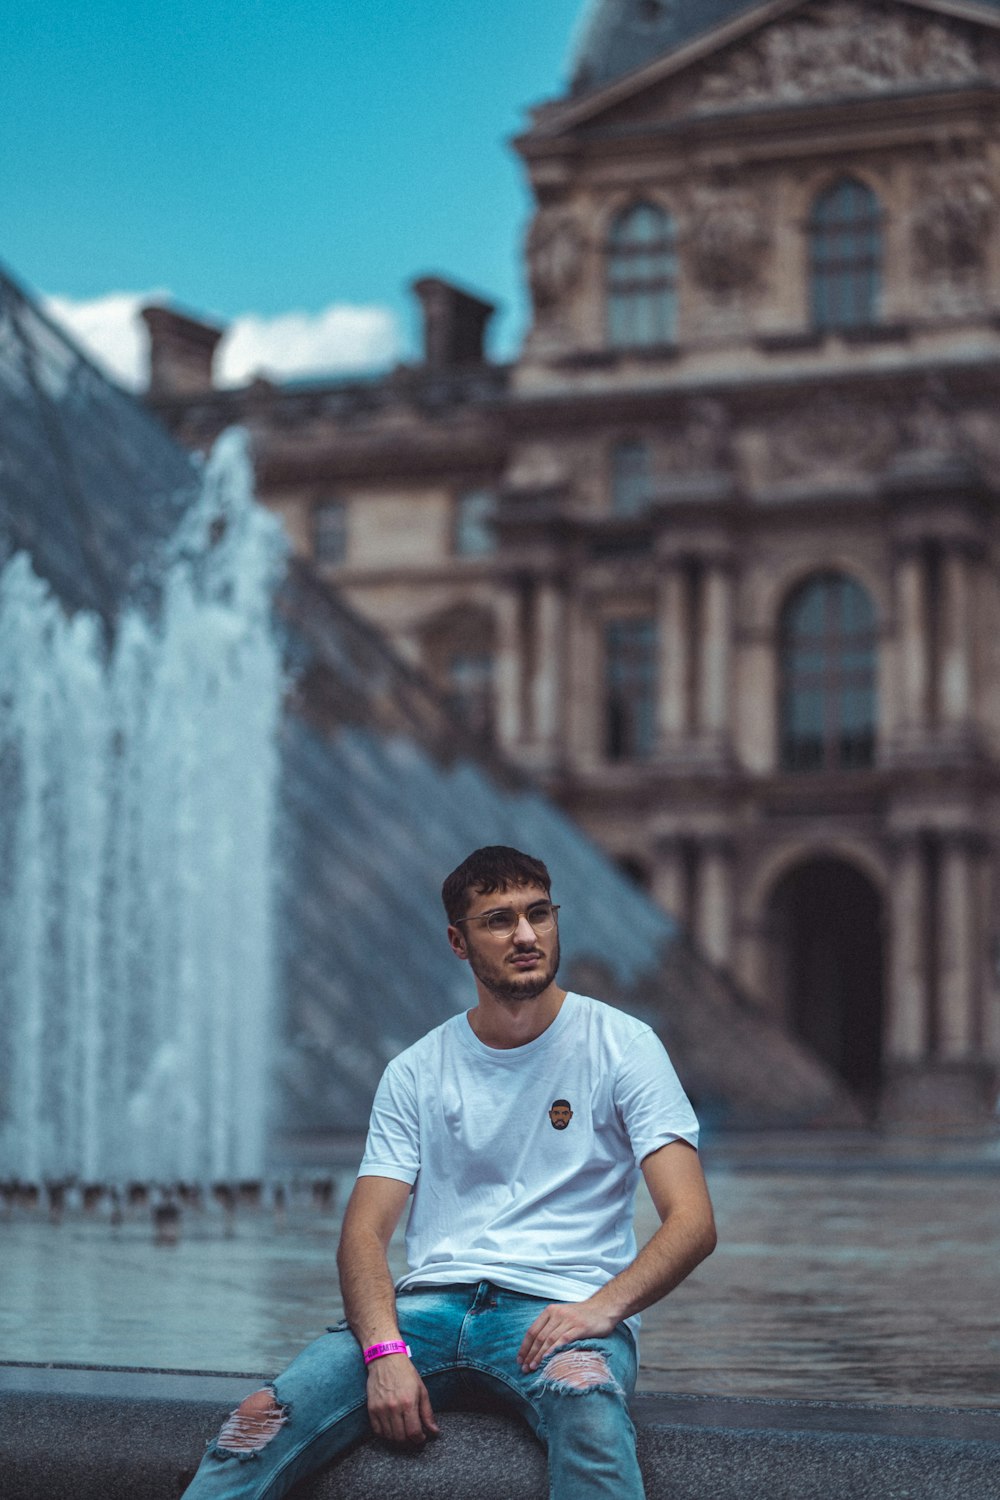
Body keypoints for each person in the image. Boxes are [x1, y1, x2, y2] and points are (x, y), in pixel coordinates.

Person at [181, 845, 716, 1499]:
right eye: (499, 920)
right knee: (255, 1423)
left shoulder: (624, 1047)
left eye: (538, 914)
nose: (526, 935)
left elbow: (692, 1221)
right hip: (423, 1313)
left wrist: (602, 1308)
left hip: (559, 1312)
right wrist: (383, 1354)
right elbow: (363, 1236)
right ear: (458, 942)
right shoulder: (416, 1069)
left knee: (590, 1412)